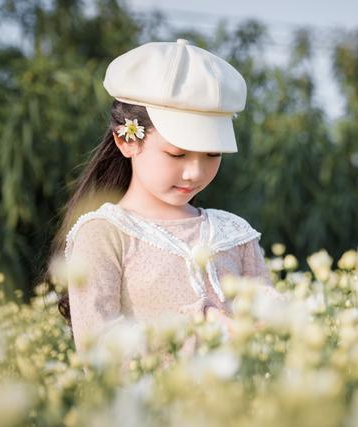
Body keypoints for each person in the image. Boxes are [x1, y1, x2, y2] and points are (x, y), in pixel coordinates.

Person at [54, 39, 283, 356]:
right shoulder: (104, 234)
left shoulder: (234, 233)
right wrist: (201, 325)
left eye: (212, 154)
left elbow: (271, 324)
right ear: (126, 140)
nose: (195, 172)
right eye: (177, 154)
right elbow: (99, 354)